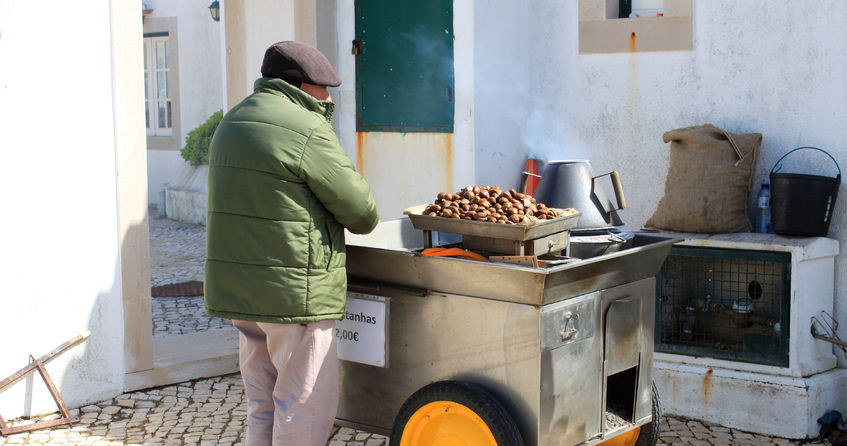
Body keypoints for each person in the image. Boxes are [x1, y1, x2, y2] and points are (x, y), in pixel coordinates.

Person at [204, 41, 379, 446]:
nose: (329, 97)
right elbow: (362, 213)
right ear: (300, 87)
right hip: (294, 295)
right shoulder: (306, 128)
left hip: (243, 295)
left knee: (262, 405)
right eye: (324, 87)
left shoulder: (232, 121)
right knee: (302, 407)